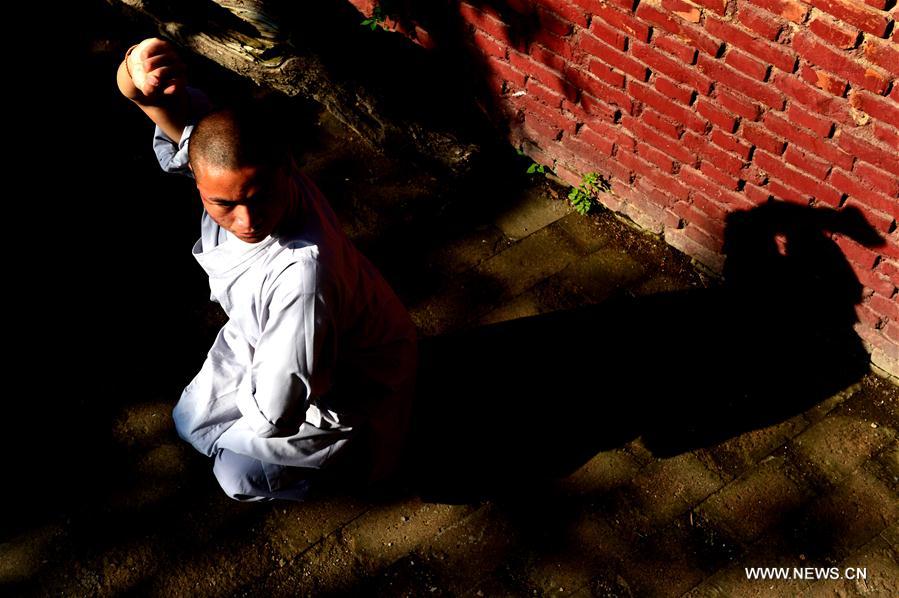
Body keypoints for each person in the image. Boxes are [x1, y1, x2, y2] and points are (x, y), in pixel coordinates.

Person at [116, 37, 418, 502]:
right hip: (264, 332)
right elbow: (158, 107)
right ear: (196, 178)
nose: (248, 221)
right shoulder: (231, 160)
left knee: (237, 474)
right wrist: (136, 74)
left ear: (288, 169)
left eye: (259, 199)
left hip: (348, 370)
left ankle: (364, 462)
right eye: (224, 204)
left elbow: (279, 411)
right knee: (188, 420)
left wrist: (238, 435)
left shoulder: (303, 275)